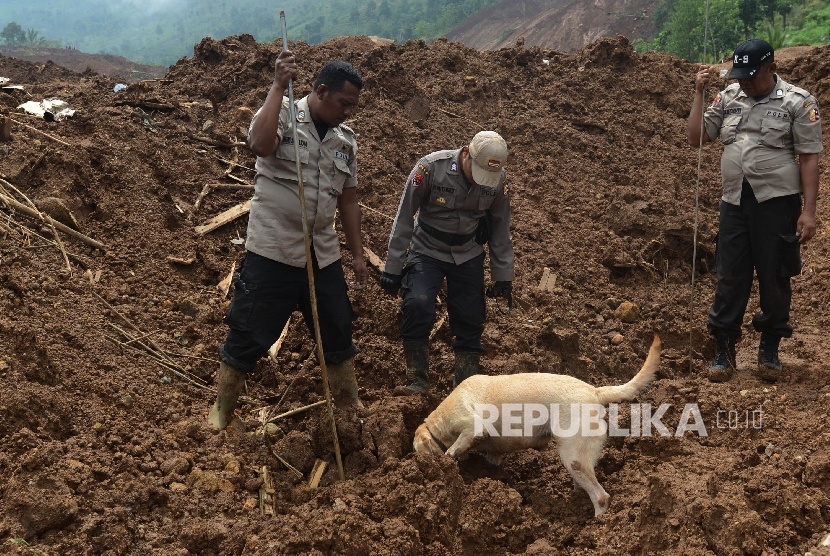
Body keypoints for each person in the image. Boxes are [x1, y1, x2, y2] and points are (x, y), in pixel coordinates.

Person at [208, 52, 368, 430]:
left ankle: (349, 405)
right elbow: (260, 145)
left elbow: (348, 200)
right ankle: (220, 411)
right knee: (247, 332)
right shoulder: (281, 112)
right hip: (273, 250)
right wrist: (278, 84)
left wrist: (358, 254)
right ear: (322, 91)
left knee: (337, 331)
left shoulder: (346, 142)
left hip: (322, 255)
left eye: (353, 106)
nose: (348, 112)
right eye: (344, 103)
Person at [687, 38, 823, 382]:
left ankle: (769, 347)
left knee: (775, 275)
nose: (744, 81)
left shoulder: (798, 101)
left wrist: (809, 211)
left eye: (752, 75)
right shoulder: (729, 96)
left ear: (772, 68)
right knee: (730, 275)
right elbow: (696, 138)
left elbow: (809, 157)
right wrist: (699, 94)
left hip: (777, 203)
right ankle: (724, 349)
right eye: (740, 74)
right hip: (734, 201)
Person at [380, 131, 514, 394]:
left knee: (470, 316)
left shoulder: (498, 182)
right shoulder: (430, 168)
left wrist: (503, 276)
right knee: (417, 303)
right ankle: (417, 380)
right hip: (427, 248)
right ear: (466, 153)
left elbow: (500, 228)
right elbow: (404, 217)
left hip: (468, 252)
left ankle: (465, 387)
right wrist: (393, 267)